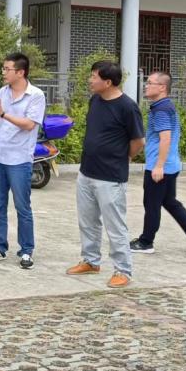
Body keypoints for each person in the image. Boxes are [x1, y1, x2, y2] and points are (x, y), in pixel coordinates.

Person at [66, 60, 145, 288]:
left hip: (110, 176)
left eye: (94, 76)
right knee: (87, 221)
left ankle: (123, 270)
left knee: (115, 226)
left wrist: (125, 157)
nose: (90, 80)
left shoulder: (127, 107)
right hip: (86, 172)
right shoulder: (95, 100)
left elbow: (138, 141)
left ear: (108, 82)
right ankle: (91, 261)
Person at [130, 72, 186, 257]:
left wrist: (159, 166)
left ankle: (146, 242)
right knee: (170, 202)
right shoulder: (165, 106)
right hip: (170, 165)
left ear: (162, 87)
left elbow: (165, 138)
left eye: (150, 83)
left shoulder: (160, 109)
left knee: (151, 204)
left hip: (160, 167)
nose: (146, 86)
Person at [0, 52, 46, 271]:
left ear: (20, 72)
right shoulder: (3, 91)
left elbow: (29, 125)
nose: (3, 72)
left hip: (19, 159)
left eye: (7, 69)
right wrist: (0, 118)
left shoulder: (36, 95)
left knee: (22, 206)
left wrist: (4, 114)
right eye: (3, 68)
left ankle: (26, 250)